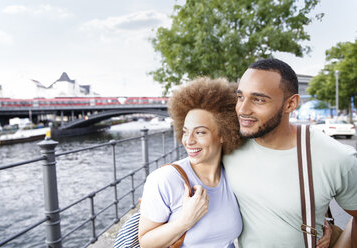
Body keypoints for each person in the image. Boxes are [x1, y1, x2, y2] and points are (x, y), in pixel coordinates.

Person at [223, 58, 357, 247]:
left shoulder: (336, 157)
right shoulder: (228, 146)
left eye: (259, 99)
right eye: (240, 97)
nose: (242, 109)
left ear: (290, 104)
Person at [138, 77, 243, 247]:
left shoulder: (231, 176)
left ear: (224, 134)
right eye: (186, 132)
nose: (188, 141)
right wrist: (185, 221)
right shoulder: (165, 179)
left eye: (200, 132)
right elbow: (146, 243)